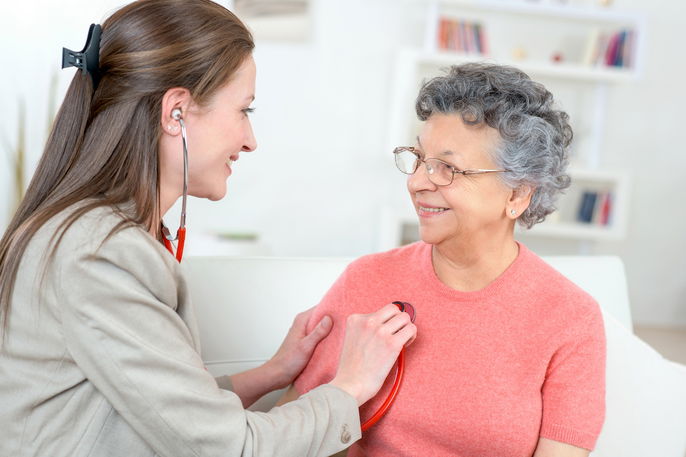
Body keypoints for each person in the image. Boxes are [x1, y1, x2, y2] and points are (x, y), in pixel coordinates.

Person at [0, 1, 417, 456]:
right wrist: (351, 386)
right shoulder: (98, 253)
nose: (250, 141)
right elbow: (224, 448)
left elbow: (152, 409)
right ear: (176, 112)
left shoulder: (90, 235)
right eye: (245, 110)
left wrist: (272, 373)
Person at [287, 63, 606, 457]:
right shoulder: (366, 280)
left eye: (449, 168)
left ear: (517, 196)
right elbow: (295, 431)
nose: (418, 181)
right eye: (419, 158)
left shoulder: (571, 317)